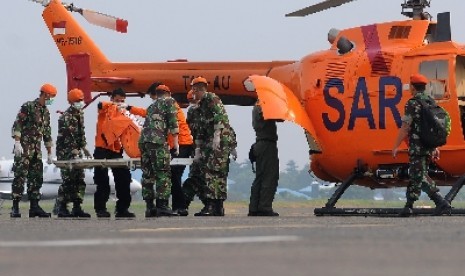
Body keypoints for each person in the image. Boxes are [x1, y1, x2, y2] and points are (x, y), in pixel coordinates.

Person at [392, 73, 451, 217]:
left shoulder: (412, 103)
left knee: (418, 175)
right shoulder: (430, 102)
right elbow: (433, 126)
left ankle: (441, 202)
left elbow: (405, 126)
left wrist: (396, 145)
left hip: (417, 147)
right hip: (428, 146)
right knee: (416, 175)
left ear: (412, 87)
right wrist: (434, 146)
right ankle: (408, 207)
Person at [10, 83, 57, 218]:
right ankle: (15, 207)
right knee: (20, 176)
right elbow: (18, 123)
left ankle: (34, 207)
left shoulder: (46, 112)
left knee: (36, 178)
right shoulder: (28, 106)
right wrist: (17, 142)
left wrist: (49, 152)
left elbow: (47, 133)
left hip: (36, 150)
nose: (52, 99)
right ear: (45, 94)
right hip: (24, 148)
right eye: (52, 96)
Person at [191, 77, 236, 216]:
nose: (193, 94)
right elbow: (199, 128)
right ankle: (216, 206)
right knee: (215, 172)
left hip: (220, 141)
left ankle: (213, 205)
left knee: (213, 172)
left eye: (194, 90)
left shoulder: (211, 98)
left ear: (198, 89)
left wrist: (217, 136)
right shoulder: (200, 106)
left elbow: (220, 117)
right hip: (211, 141)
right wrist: (198, 148)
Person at [93, 88, 141, 218]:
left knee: (124, 179)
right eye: (117, 100)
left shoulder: (124, 114)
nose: (120, 103)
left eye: (122, 101)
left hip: (116, 149)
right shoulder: (105, 109)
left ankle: (122, 209)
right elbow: (100, 105)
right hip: (101, 149)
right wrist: (115, 105)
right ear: (112, 99)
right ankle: (101, 209)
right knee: (102, 181)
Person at [138, 84, 179, 217]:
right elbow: (173, 124)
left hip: (144, 141)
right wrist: (176, 145)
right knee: (163, 173)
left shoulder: (151, 106)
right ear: (168, 93)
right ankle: (162, 206)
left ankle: (150, 207)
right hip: (157, 141)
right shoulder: (169, 102)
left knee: (148, 174)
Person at [55, 88, 92, 218]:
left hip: (77, 152)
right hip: (66, 153)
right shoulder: (65, 117)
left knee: (79, 179)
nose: (80, 102)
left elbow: (81, 133)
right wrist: (73, 150)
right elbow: (67, 136)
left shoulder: (80, 114)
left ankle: (77, 207)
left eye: (81, 100)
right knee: (68, 180)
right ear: (71, 102)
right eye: (78, 101)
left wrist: (84, 147)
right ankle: (62, 207)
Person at [248, 99, 280, 216]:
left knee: (260, 177)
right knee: (270, 176)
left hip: (260, 143)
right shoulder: (263, 105)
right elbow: (277, 117)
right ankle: (264, 207)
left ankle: (254, 207)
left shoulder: (257, 104)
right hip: (267, 144)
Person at [167, 93, 194, 216]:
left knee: (174, 174)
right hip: (181, 145)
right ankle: (179, 206)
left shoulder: (170, 108)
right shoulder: (173, 108)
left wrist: (130, 108)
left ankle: (180, 206)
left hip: (182, 145)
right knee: (174, 175)